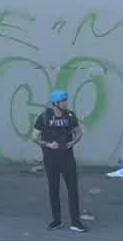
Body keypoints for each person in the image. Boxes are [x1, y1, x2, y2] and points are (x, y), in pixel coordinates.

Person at [32, 90, 86, 231]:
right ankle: (56, 221)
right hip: (51, 159)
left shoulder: (70, 116)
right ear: (56, 103)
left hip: (67, 158)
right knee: (53, 189)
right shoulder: (44, 117)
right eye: (63, 101)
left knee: (73, 190)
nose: (66, 103)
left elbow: (79, 133)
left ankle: (75, 222)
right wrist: (48, 144)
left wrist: (72, 142)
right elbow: (35, 136)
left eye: (65, 100)